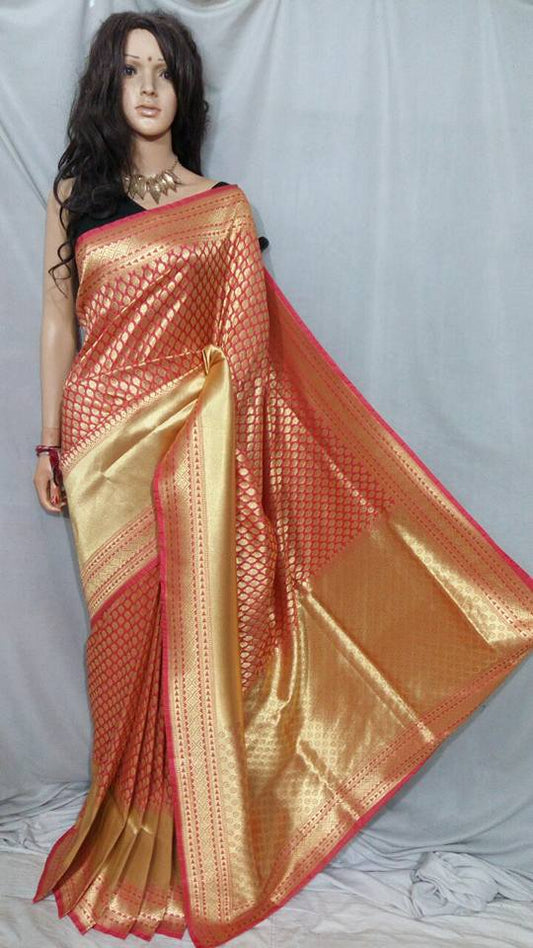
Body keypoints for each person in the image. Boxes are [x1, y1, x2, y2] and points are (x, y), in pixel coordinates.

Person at [31, 9, 533, 948]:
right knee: (121, 647)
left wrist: (203, 447)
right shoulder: (76, 196)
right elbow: (60, 323)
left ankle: (190, 836)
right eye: (130, 70)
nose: (148, 87)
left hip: (192, 456)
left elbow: (246, 357)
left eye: (163, 71)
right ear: (107, 86)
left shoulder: (223, 208)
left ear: (185, 89)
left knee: (191, 643)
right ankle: (125, 817)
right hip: (101, 451)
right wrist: (48, 441)